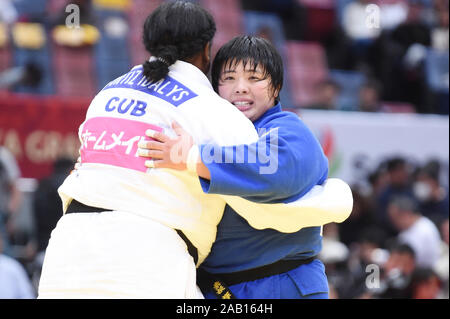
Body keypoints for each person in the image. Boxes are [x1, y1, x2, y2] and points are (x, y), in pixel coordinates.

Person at [37, 1, 261, 299]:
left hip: (65, 259)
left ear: (148, 43)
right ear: (207, 49)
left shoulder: (107, 93)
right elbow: (261, 185)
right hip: (146, 262)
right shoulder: (215, 111)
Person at [138, 35, 352, 299]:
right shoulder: (205, 136)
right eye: (228, 79)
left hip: (282, 284)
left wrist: (192, 157)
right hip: (214, 288)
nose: (240, 88)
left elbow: (273, 171)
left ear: (276, 87)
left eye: (254, 78)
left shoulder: (289, 130)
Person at [387, 195, 441, 269]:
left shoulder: (424, 229)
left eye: (395, 218)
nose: (393, 222)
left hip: (424, 273)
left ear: (406, 214)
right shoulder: (406, 230)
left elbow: (407, 260)